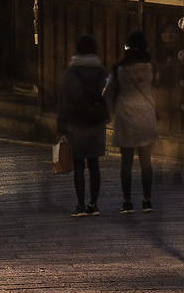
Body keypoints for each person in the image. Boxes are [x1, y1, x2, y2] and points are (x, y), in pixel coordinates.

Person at [55, 32, 108, 215]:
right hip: (95, 123)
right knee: (94, 165)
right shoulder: (101, 71)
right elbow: (106, 97)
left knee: (79, 166)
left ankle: (80, 205)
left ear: (77, 51)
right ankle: (94, 205)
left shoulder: (70, 73)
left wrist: (61, 126)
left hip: (75, 124)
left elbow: (64, 101)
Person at [108, 30, 158, 212]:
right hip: (145, 115)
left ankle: (127, 201)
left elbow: (110, 91)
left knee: (126, 162)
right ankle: (147, 200)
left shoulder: (119, 69)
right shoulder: (150, 66)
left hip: (125, 116)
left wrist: (112, 110)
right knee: (146, 161)